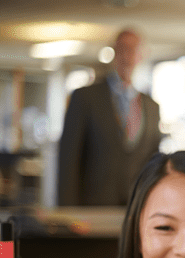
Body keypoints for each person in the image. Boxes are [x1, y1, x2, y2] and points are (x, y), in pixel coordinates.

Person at [57, 28, 163, 206]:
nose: (127, 56)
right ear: (113, 53)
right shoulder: (85, 97)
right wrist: (68, 211)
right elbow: (69, 159)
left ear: (142, 55)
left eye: (133, 50)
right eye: (122, 48)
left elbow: (153, 163)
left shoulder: (152, 107)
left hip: (136, 206)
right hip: (93, 206)